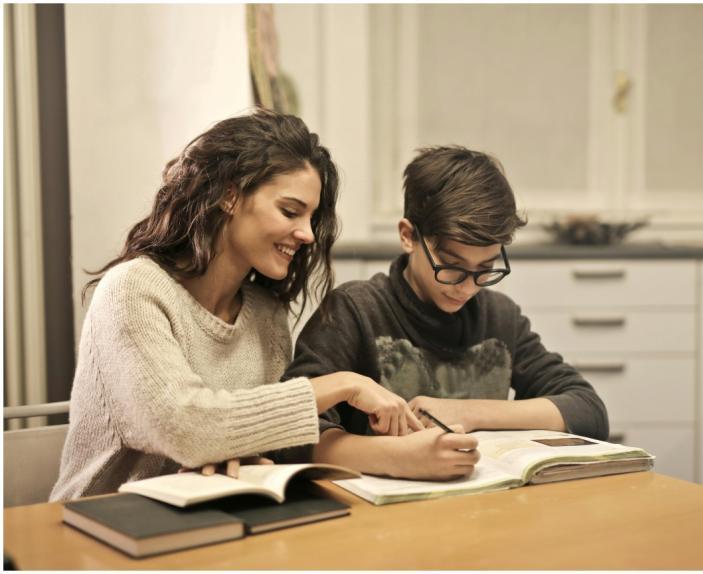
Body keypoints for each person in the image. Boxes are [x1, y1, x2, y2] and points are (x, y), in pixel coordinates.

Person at [50, 108, 421, 501]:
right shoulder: (132, 291)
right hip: (97, 530)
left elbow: (239, 442)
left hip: (209, 524)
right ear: (229, 195)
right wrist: (343, 383)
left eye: (312, 218)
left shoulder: (266, 315)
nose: (307, 234)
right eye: (291, 211)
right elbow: (186, 428)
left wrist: (240, 458)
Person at [283, 145, 609, 480]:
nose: (467, 288)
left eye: (485, 268)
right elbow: (288, 432)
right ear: (408, 236)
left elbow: (587, 409)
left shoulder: (500, 317)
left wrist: (467, 412)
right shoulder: (355, 311)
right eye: (452, 267)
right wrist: (395, 457)